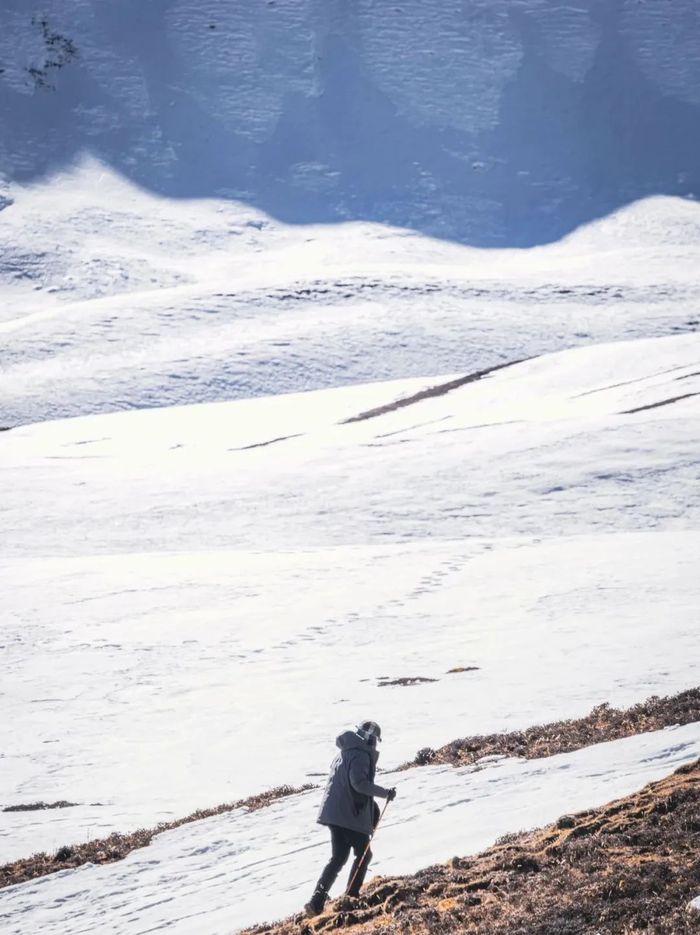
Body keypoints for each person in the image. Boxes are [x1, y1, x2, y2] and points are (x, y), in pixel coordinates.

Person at [305, 720, 397, 917]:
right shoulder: (360, 755)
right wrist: (385, 793)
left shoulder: (345, 752)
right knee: (364, 854)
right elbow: (358, 784)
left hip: (335, 814)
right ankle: (351, 897)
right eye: (374, 740)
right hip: (349, 816)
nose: (375, 744)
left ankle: (316, 901)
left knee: (338, 857)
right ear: (369, 738)